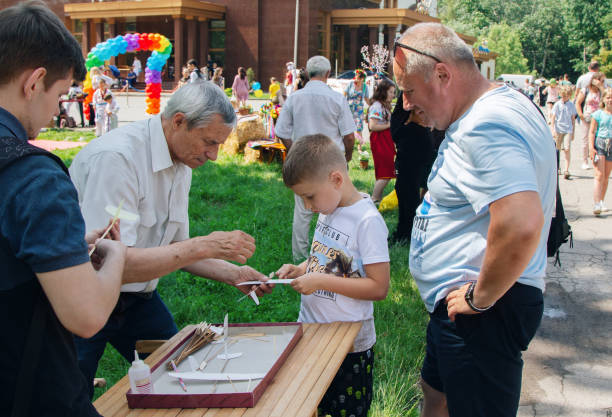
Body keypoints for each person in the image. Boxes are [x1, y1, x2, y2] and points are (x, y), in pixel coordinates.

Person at [69, 81, 272, 399]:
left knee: (183, 377)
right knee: (67, 397)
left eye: (219, 144)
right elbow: (110, 264)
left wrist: (235, 275)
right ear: (178, 121)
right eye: (209, 142)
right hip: (83, 297)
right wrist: (203, 245)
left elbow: (178, 247)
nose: (215, 155)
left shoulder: (182, 161)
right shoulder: (117, 160)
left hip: (137, 298)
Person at [394, 23, 555, 416]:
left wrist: (479, 298)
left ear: (443, 74)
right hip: (463, 310)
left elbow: (520, 222)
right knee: (437, 395)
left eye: (410, 91)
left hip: (480, 312)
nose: (407, 105)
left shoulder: (484, 126)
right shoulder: (496, 107)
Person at [0, 2, 127, 416]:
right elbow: (87, 316)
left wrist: (63, 251)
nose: (58, 109)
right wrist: (116, 259)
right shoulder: (33, 177)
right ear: (35, 82)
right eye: (59, 94)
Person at [276, 134, 390, 417]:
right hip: (312, 331)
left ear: (336, 179)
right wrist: (303, 268)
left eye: (309, 196)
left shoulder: (367, 221)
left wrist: (320, 282)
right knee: (310, 403)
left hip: (347, 345)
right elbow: (334, 260)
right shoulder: (330, 207)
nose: (307, 206)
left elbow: (379, 287)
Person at [275, 55, 356, 261]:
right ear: (328, 74)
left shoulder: (294, 98)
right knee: (338, 209)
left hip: (304, 160)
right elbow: (348, 135)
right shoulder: (337, 98)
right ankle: (336, 256)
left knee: (302, 212)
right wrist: (347, 156)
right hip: (332, 161)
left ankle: (300, 257)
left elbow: (282, 132)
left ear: (308, 74)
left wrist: (295, 151)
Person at [390, 93, 443, 243]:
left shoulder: (417, 91)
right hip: (410, 144)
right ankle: (405, 231)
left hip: (415, 144)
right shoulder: (413, 91)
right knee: (405, 190)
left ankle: (406, 233)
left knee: (409, 191)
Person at [368, 80, 397, 204]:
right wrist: (390, 124)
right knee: (386, 171)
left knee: (385, 171)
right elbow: (372, 126)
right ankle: (374, 199)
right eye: (391, 92)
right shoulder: (377, 106)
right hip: (380, 141)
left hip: (385, 140)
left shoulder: (383, 105)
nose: (393, 95)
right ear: (383, 91)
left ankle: (377, 198)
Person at [589, 87, 612, 215]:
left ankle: (602, 201)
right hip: (600, 143)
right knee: (599, 175)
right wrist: (591, 148)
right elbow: (592, 131)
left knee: (606, 176)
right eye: (608, 97)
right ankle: (596, 203)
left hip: (611, 144)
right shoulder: (598, 114)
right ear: (603, 99)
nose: (610, 100)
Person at [576, 71, 605, 170]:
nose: (603, 83)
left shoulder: (602, 91)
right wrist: (580, 115)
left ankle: (596, 159)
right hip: (587, 117)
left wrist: (601, 87)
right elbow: (578, 102)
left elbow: (607, 100)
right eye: (601, 81)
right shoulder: (586, 90)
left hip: (598, 119)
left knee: (597, 140)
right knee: (585, 140)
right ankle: (584, 161)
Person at [551, 86, 577, 179]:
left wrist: (573, 132)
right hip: (558, 129)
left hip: (568, 129)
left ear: (569, 96)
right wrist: (552, 128)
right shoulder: (557, 104)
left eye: (566, 96)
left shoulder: (571, 105)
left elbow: (573, 119)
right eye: (562, 96)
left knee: (567, 149)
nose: (564, 98)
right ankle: (557, 167)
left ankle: (566, 169)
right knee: (557, 149)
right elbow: (553, 117)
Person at [344, 69, 367, 152]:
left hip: (359, 110)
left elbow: (366, 98)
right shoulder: (350, 84)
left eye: (359, 78)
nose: (356, 80)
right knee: (347, 128)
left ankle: (359, 147)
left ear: (362, 79)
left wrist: (372, 106)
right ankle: (347, 146)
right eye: (356, 77)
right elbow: (344, 94)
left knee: (359, 128)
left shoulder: (364, 86)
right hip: (349, 109)